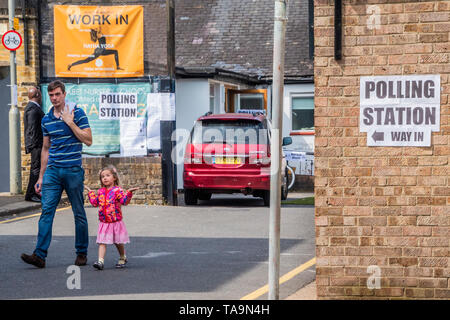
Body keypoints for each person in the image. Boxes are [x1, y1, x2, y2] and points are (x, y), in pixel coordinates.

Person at [21, 80, 93, 269]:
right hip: (52, 171)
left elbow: (89, 140)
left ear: (64, 94)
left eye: (57, 94)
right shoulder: (46, 119)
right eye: (51, 95)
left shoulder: (77, 113)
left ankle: (81, 253)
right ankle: (40, 255)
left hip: (72, 170)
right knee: (46, 213)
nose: (54, 98)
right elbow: (45, 148)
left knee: (78, 212)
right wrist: (41, 176)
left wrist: (70, 123)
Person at [85, 165, 139, 270]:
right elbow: (95, 203)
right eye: (102, 176)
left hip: (115, 222)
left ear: (114, 177)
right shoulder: (100, 191)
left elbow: (124, 201)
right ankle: (100, 261)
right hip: (104, 222)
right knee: (102, 242)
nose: (105, 178)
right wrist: (90, 193)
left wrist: (129, 193)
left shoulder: (117, 190)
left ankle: (123, 257)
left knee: (118, 241)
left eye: (107, 175)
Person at [23, 86, 44, 202]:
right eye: (40, 93)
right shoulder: (32, 109)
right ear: (37, 95)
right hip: (36, 144)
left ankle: (34, 192)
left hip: (36, 144)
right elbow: (32, 129)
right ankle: (30, 194)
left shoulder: (33, 107)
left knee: (36, 169)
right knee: (35, 169)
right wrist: (34, 146)